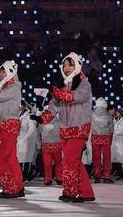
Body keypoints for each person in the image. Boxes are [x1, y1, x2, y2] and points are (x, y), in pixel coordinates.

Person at [49, 52, 95, 202]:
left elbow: (75, 97)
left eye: (70, 64)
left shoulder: (84, 83)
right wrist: (43, 117)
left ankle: (70, 191)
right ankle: (87, 193)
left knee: (69, 159)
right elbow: (54, 105)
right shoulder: (63, 85)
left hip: (79, 127)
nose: (67, 67)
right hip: (65, 128)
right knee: (73, 160)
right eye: (65, 65)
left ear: (77, 65)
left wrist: (59, 93)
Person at [0, 60, 25, 198]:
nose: (0, 73)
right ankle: (18, 187)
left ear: (11, 72)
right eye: (0, 70)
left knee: (1, 158)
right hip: (3, 126)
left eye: (3, 70)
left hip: (7, 126)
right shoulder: (5, 88)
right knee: (10, 158)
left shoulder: (14, 87)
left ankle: (10, 189)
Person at [33, 109, 63, 186]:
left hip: (55, 145)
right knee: (48, 163)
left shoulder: (57, 123)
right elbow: (38, 135)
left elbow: (61, 134)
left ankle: (57, 178)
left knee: (56, 163)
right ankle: (49, 178)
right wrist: (39, 145)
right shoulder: (42, 123)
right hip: (47, 145)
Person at [91, 97, 114, 183]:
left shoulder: (91, 114)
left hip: (95, 137)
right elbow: (111, 128)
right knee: (106, 158)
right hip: (106, 137)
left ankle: (97, 175)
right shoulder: (108, 115)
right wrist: (111, 137)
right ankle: (106, 176)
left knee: (96, 157)